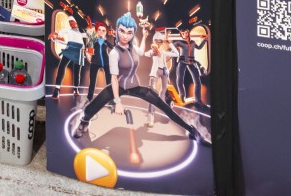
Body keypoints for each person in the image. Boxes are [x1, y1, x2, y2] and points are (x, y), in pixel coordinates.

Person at [72, 12, 209, 147]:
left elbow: (142, 52)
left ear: (133, 33)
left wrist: (144, 37)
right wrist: (117, 101)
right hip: (118, 86)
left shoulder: (133, 47)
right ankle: (84, 122)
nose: (125, 36)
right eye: (122, 31)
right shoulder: (114, 53)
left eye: (129, 32)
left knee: (162, 105)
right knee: (90, 108)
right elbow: (113, 78)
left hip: (134, 87)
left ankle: (192, 130)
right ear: (117, 30)